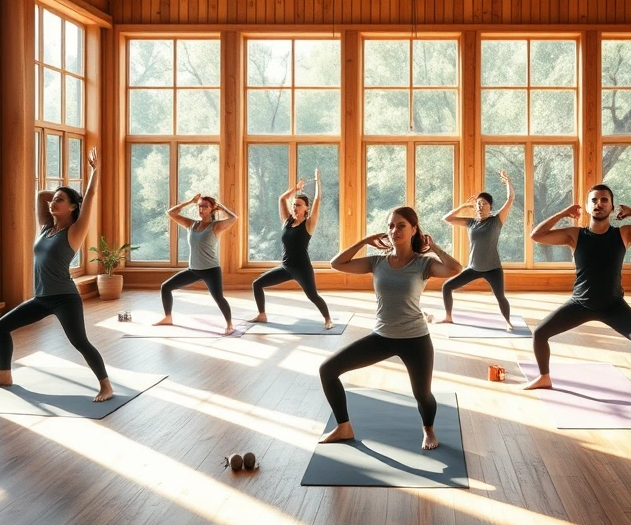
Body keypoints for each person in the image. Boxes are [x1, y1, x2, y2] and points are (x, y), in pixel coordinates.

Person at [319, 207, 463, 450]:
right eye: (391, 225)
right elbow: (337, 263)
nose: (394, 230)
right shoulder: (377, 262)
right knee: (328, 370)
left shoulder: (423, 264)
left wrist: (434, 247)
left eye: (401, 225)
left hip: (415, 338)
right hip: (382, 337)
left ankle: (428, 429)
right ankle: (344, 427)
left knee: (422, 394)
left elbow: (455, 269)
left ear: (414, 229)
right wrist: (365, 241)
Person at [0, 149, 113, 401]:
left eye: (60, 200)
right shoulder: (46, 228)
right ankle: (5, 374)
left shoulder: (74, 232)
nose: (52, 202)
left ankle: (105, 385)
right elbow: (40, 195)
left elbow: (91, 195)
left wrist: (95, 171)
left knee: (80, 342)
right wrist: (60, 194)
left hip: (65, 298)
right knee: (2, 326)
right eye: (55, 199)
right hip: (41, 298)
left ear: (74, 207)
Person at [524, 184, 631, 407]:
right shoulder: (575, 235)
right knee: (541, 332)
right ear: (588, 206)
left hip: (613, 305)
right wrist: (563, 214)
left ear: (611, 207)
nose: (598, 204)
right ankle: (545, 377)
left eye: (604, 200)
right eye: (594, 201)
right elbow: (536, 235)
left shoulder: (624, 233)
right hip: (580, 303)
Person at [249, 170, 333, 330]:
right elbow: (281, 199)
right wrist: (296, 188)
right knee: (257, 284)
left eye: (299, 205)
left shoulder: (308, 224)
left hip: (302, 269)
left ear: (306, 209)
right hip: (286, 268)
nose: (295, 207)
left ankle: (328, 319)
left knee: (313, 296)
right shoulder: (286, 222)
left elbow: (318, 199)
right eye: (294, 204)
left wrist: (318, 181)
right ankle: (262, 314)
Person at [438, 171, 515, 330]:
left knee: (500, 297)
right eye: (478, 203)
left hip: (493, 268)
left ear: (490, 207)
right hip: (473, 268)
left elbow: (510, 199)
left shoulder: (496, 221)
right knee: (447, 287)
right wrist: (464, 206)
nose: (480, 206)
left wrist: (508, 182)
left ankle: (508, 322)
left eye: (484, 203)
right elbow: (447, 218)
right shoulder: (471, 222)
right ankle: (448, 317)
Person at [153, 194, 238, 336]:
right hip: (194, 270)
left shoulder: (215, 226)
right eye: (199, 205)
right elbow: (170, 213)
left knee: (218, 297)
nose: (201, 208)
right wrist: (190, 202)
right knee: (166, 287)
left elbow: (234, 218)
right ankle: (168, 317)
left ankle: (230, 325)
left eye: (205, 206)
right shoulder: (191, 224)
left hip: (211, 270)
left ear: (211, 209)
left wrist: (221, 207)